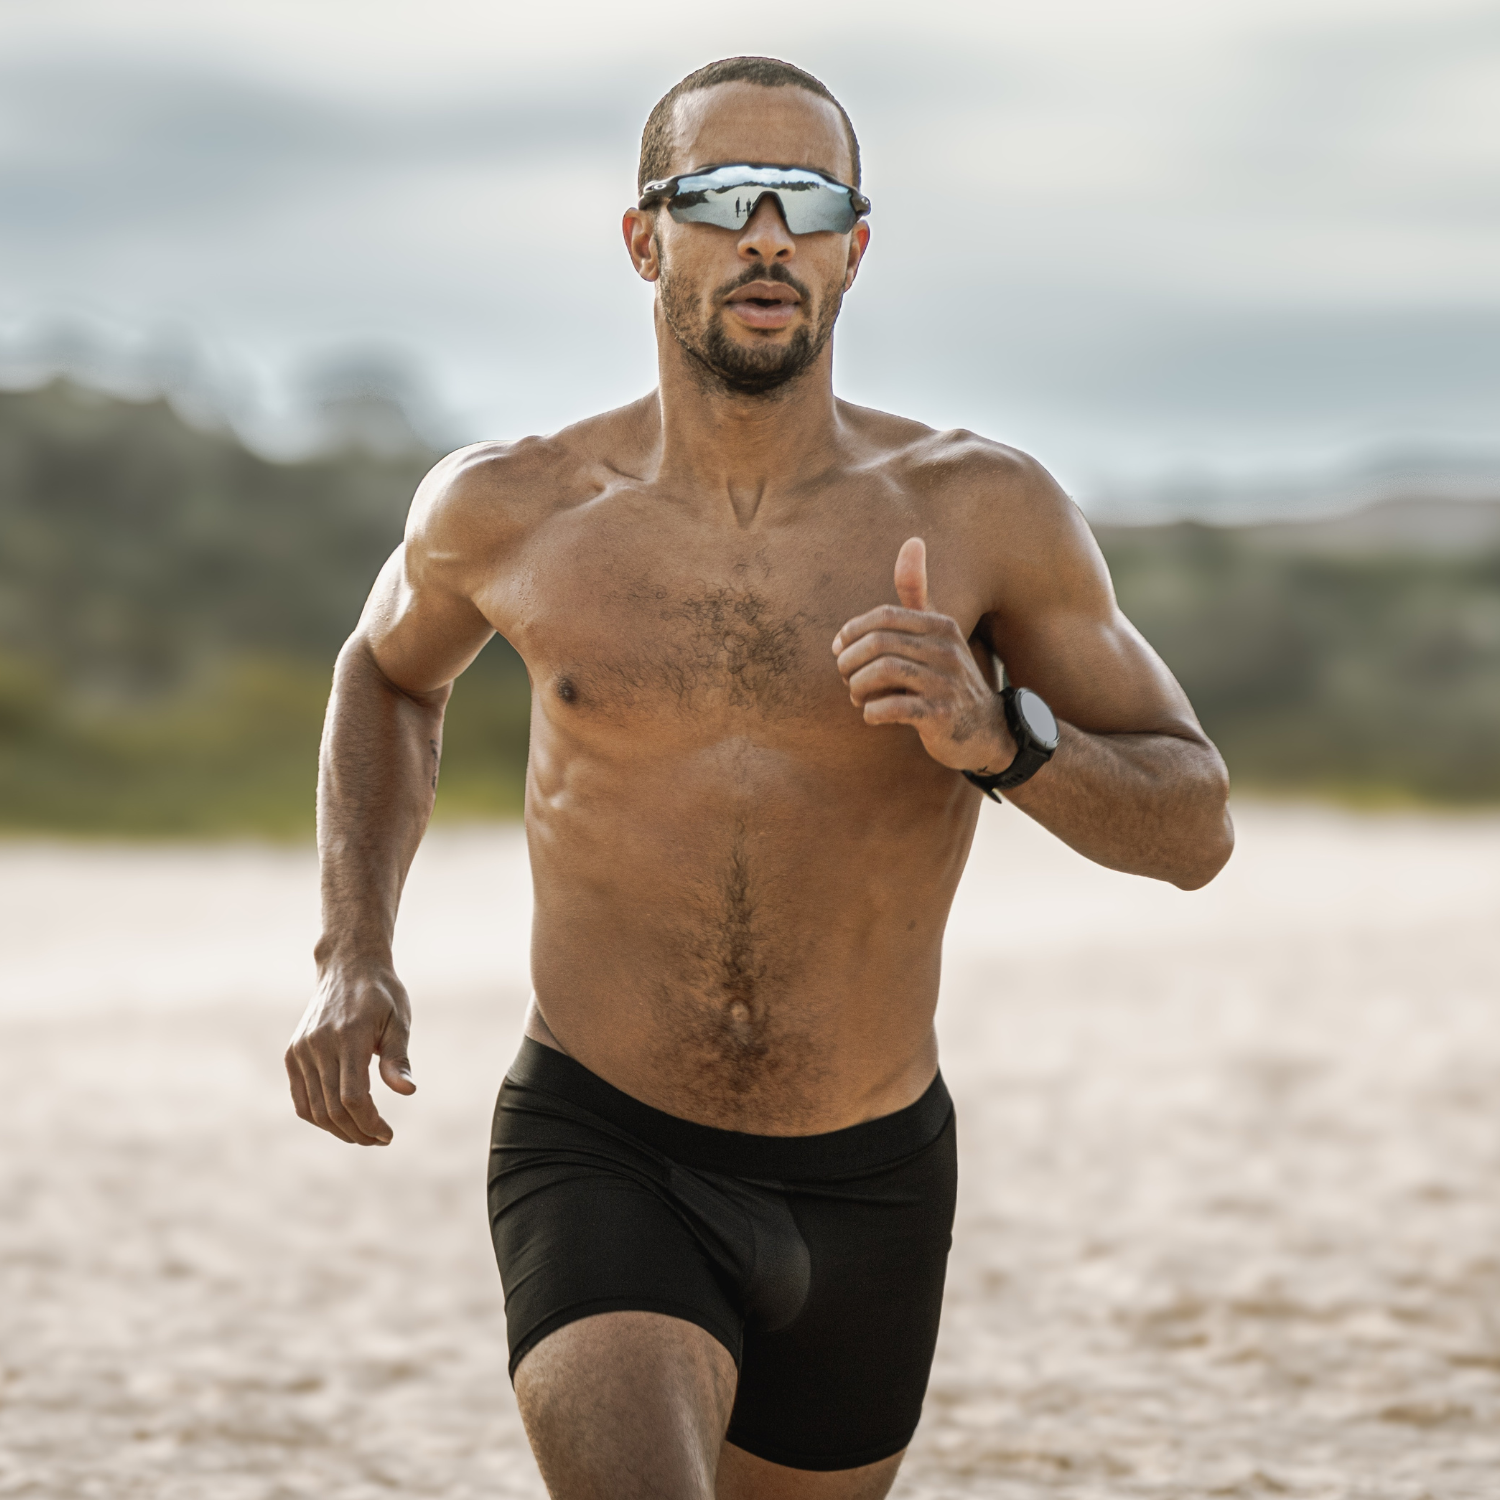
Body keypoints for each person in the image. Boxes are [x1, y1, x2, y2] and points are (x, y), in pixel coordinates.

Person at [285, 54, 1234, 1500]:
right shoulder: (512, 508)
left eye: (808, 200)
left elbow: (1195, 827)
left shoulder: (987, 512)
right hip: (604, 1143)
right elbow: (387, 671)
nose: (768, 234)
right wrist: (353, 951)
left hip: (873, 1178)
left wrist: (1004, 739)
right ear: (643, 237)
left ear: (857, 248)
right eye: (724, 197)